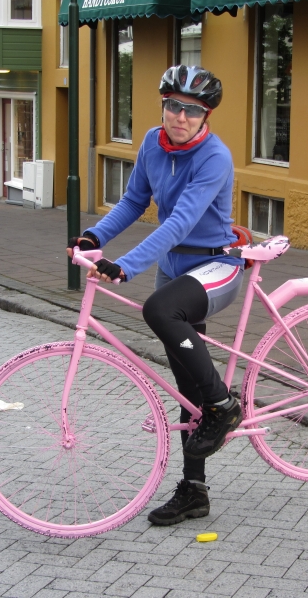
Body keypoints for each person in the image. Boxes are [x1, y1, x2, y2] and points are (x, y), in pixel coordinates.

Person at [66, 65, 244, 526]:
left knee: (159, 309)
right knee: (187, 387)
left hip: (216, 265)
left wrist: (126, 265)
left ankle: (225, 406)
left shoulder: (215, 157)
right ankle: (194, 492)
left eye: (192, 111)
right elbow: (133, 201)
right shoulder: (151, 142)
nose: (180, 117)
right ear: (163, 106)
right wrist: (94, 236)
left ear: (205, 117)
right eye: (173, 106)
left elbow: (180, 222)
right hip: (174, 267)